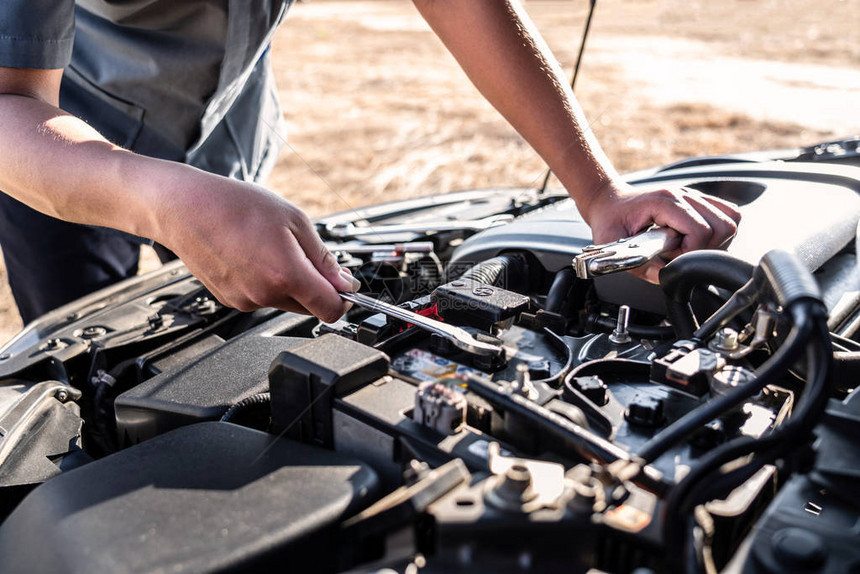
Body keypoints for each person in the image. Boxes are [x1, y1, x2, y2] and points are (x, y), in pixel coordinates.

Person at [0, 0, 740, 326]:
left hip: (227, 140)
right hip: (64, 155)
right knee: (87, 364)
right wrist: (156, 196)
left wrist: (599, 190)